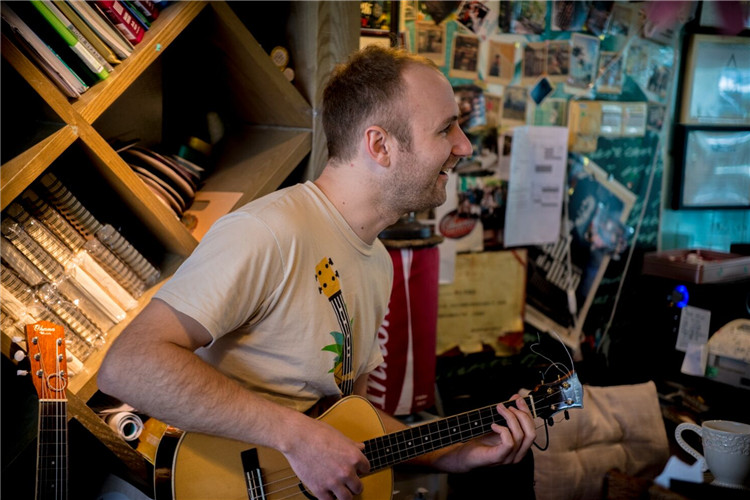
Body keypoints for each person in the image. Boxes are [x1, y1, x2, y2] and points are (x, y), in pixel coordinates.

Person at [98, 46, 536, 500]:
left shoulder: (377, 262)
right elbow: (129, 365)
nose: (464, 145)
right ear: (380, 145)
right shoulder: (268, 232)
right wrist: (297, 436)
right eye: (446, 128)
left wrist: (453, 454)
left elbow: (348, 420)